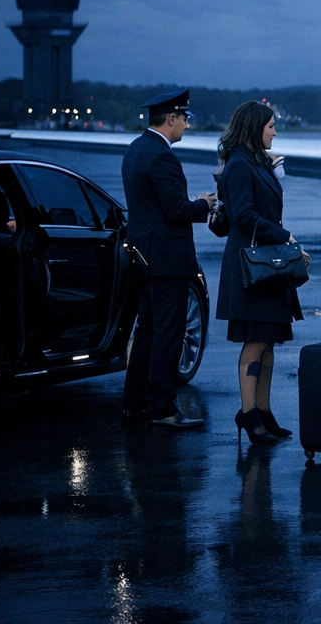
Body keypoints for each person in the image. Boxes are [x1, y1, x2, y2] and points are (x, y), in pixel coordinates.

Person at [215, 101, 309, 445]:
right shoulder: (240, 163)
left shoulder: (255, 162)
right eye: (270, 126)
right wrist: (287, 238)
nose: (275, 132)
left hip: (267, 267)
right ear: (256, 129)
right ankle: (249, 413)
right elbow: (242, 215)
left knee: (268, 341)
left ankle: (264, 411)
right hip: (253, 267)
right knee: (255, 341)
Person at [121, 89, 216, 430]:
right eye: (185, 119)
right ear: (171, 119)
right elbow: (177, 209)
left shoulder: (135, 150)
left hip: (143, 256)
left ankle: (134, 403)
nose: (187, 125)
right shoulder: (162, 157)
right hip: (166, 259)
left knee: (146, 330)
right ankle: (161, 407)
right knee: (167, 334)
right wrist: (205, 203)